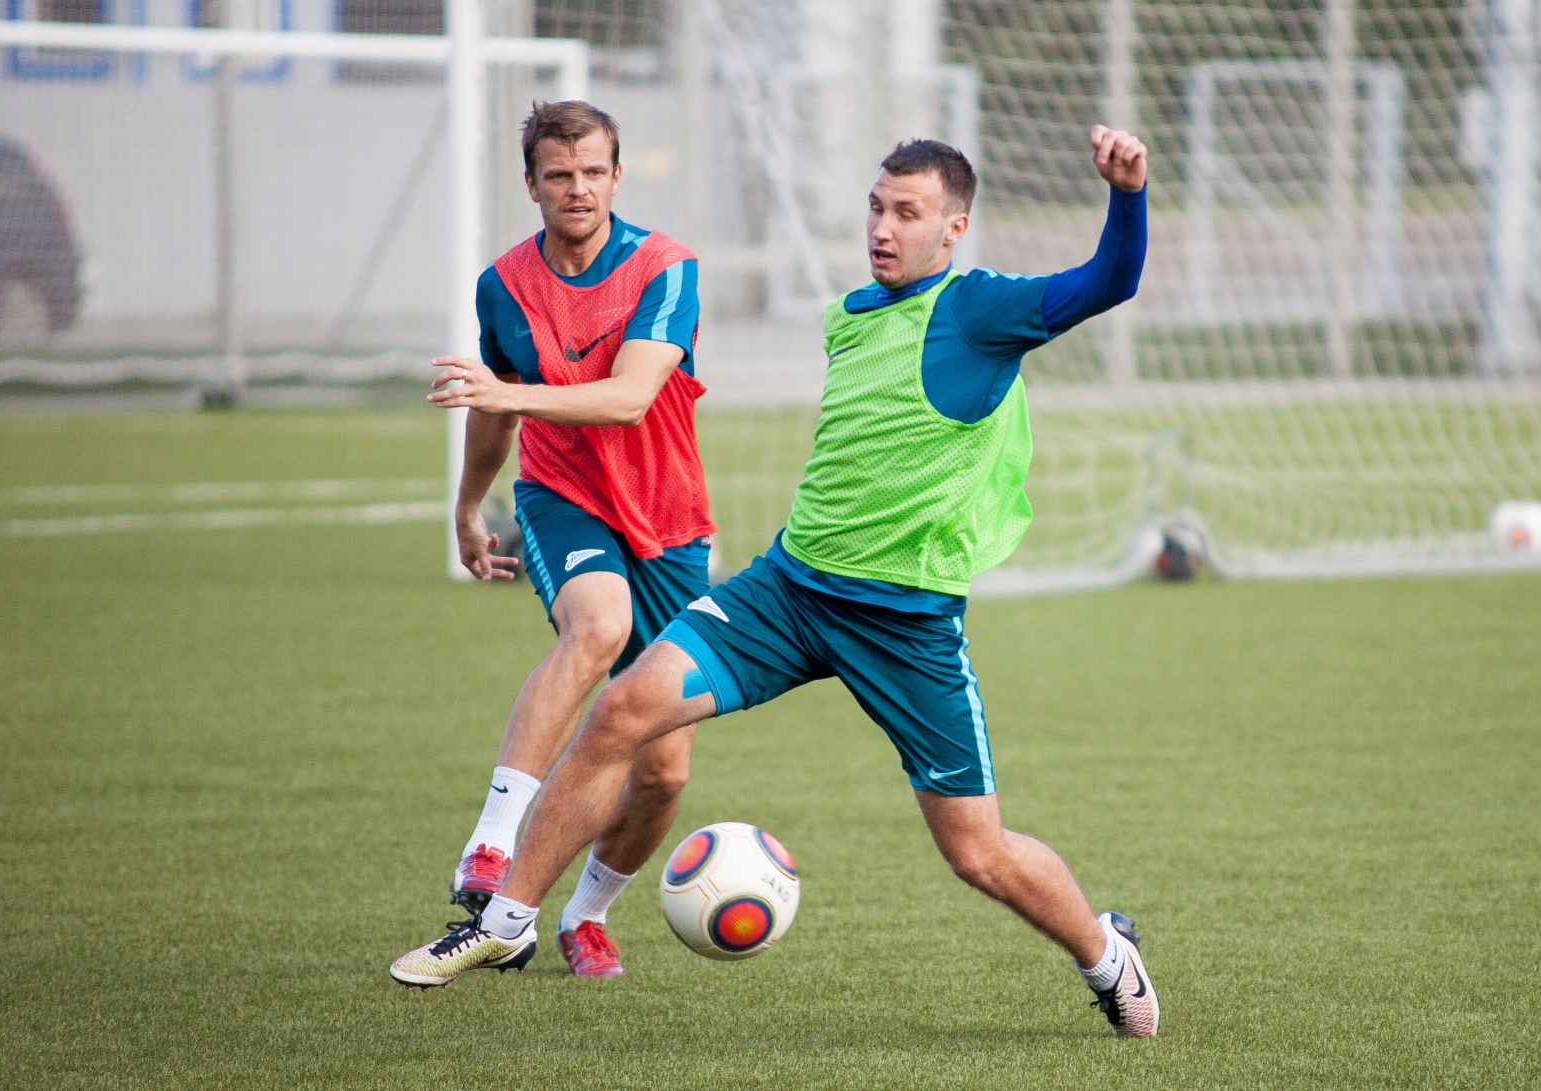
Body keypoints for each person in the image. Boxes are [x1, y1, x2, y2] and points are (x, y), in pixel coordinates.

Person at [395, 125, 1161, 1039]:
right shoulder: (851, 315)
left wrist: (1128, 194)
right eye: (876, 207)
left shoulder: (982, 309)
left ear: (953, 231)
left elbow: (1109, 281)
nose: (881, 227)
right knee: (622, 710)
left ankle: (1107, 955)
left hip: (905, 624)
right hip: (789, 592)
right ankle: (504, 922)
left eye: (906, 214)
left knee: (977, 852)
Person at [389, 100, 712, 983]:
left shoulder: (665, 267)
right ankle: (492, 846)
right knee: (597, 626)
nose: (579, 189)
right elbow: (497, 412)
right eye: (559, 174)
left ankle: (585, 912)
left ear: (616, 175)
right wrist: (468, 506)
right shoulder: (502, 284)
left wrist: (503, 394)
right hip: (563, 496)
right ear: (530, 183)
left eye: (594, 172)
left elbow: (628, 397)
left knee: (665, 774)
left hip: (670, 519)